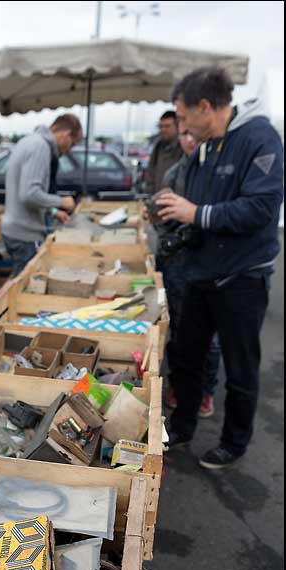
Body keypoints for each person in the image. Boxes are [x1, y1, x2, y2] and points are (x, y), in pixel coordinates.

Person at [156, 66, 283, 469]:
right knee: (186, 355)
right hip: (199, 272)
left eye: (184, 114)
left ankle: (234, 441)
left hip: (241, 277)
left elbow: (260, 208)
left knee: (240, 364)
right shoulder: (206, 147)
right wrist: (172, 211)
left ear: (206, 107)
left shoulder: (259, 138)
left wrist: (196, 213)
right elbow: (188, 202)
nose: (183, 126)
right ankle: (182, 425)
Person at [158, 128, 221, 419]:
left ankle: (206, 391)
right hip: (177, 264)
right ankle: (178, 387)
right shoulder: (174, 174)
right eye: (184, 134)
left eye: (193, 133)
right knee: (178, 330)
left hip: (210, 267)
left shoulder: (217, 171)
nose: (189, 139)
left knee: (209, 338)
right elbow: (160, 218)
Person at [2, 114, 82, 275]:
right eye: (72, 144)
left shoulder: (30, 141)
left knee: (19, 284)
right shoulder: (40, 147)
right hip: (25, 235)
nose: (69, 150)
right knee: (23, 292)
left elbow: (24, 194)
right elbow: (29, 194)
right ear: (66, 134)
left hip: (16, 230)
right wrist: (61, 202)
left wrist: (53, 211)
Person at [145, 111, 183, 195]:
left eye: (167, 126)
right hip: (158, 200)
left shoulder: (183, 147)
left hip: (176, 201)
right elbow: (150, 173)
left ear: (177, 126)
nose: (163, 130)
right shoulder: (158, 147)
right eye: (161, 126)